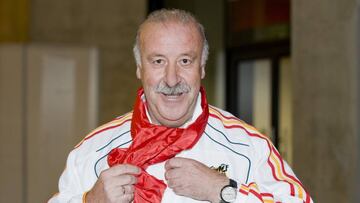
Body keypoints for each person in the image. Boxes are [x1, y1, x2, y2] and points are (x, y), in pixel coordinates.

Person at [49, 9, 313, 203]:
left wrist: (222, 191)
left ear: (202, 68)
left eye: (185, 61)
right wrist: (89, 202)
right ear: (140, 68)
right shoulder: (93, 150)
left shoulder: (248, 146)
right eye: (158, 61)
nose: (172, 79)